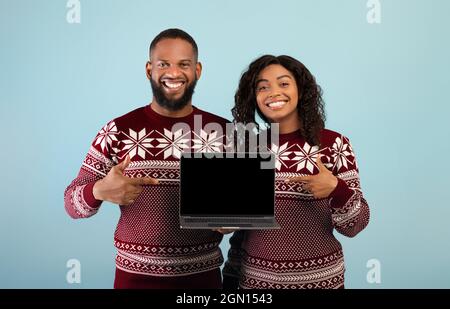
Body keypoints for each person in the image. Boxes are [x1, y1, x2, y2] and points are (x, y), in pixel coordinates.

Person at [64, 28, 230, 289]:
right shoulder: (117, 130)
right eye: (164, 64)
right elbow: (72, 205)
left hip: (203, 280)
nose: (173, 73)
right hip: (134, 280)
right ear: (148, 69)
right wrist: (98, 190)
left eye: (183, 64)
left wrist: (234, 220)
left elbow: (251, 213)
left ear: (197, 70)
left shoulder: (227, 133)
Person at [222, 55, 370, 289]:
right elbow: (234, 227)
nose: (273, 92)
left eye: (283, 83)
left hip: (321, 281)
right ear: (254, 97)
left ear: (301, 90)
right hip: (256, 284)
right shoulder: (245, 149)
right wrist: (223, 223)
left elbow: (355, 225)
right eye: (263, 87)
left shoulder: (334, 144)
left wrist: (336, 189)